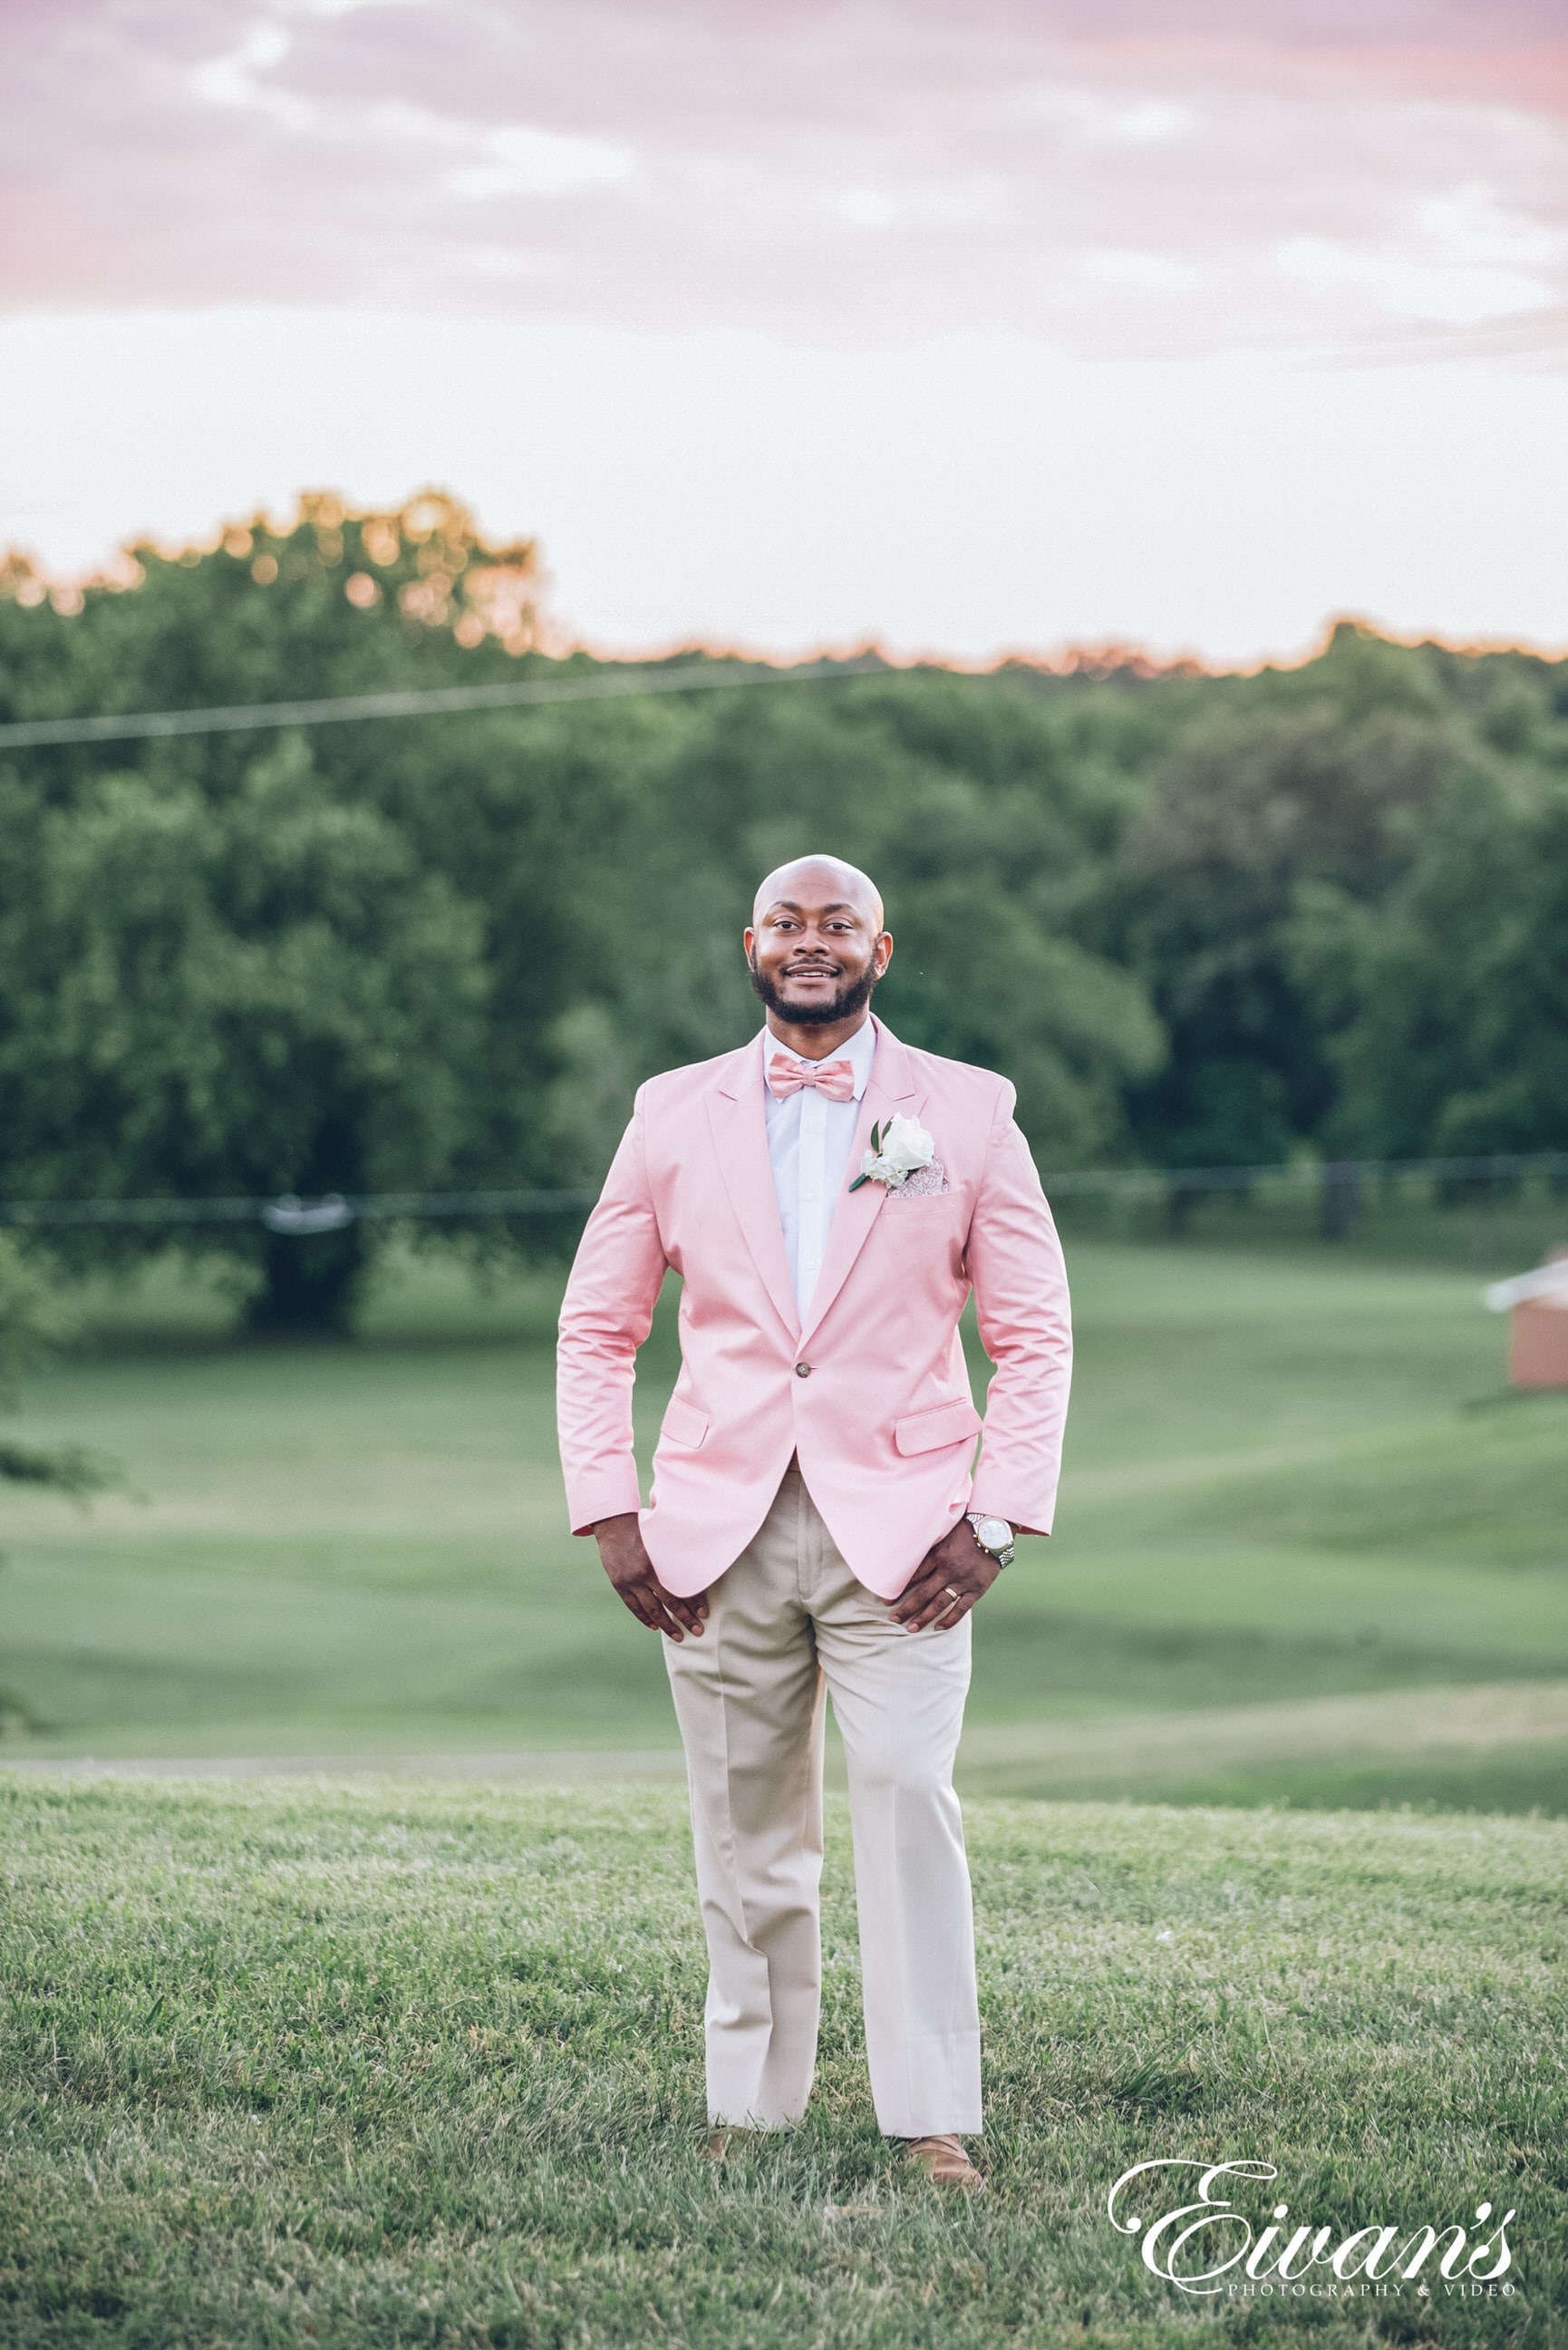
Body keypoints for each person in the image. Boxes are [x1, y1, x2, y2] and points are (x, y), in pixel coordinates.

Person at [556, 854, 1072, 2188]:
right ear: (749, 944)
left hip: (906, 1538)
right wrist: (610, 1508)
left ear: (879, 952)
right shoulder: (669, 1114)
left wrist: (999, 1514)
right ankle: (751, 2103)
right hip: (711, 1532)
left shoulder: (967, 1112)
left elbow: (1033, 1333)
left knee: (906, 1798)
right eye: (787, 923)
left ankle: (931, 2115)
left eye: (837, 925)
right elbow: (595, 1325)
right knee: (742, 1824)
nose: (810, 943)